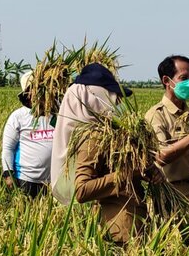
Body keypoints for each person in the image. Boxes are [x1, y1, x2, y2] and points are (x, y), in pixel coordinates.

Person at [51, 63, 159, 244]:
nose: (119, 103)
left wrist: (147, 170)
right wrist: (130, 172)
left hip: (131, 216)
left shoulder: (109, 134)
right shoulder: (93, 137)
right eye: (114, 97)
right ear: (96, 98)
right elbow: (82, 190)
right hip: (119, 224)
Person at [145, 56, 189, 203]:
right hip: (174, 195)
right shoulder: (156, 115)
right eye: (183, 78)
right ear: (167, 81)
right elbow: (160, 156)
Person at [1, 71, 54, 198]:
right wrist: (8, 174)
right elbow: (8, 148)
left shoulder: (56, 114)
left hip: (54, 181)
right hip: (26, 180)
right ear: (28, 94)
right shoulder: (18, 117)